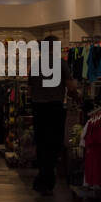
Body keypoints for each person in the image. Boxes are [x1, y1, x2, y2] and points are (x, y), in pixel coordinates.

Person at [28, 36, 79, 194]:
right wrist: (79, 98)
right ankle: (46, 179)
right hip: (55, 108)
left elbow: (30, 89)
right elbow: (71, 88)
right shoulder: (61, 64)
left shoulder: (36, 65)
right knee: (54, 143)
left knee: (42, 142)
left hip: (38, 108)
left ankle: (43, 178)